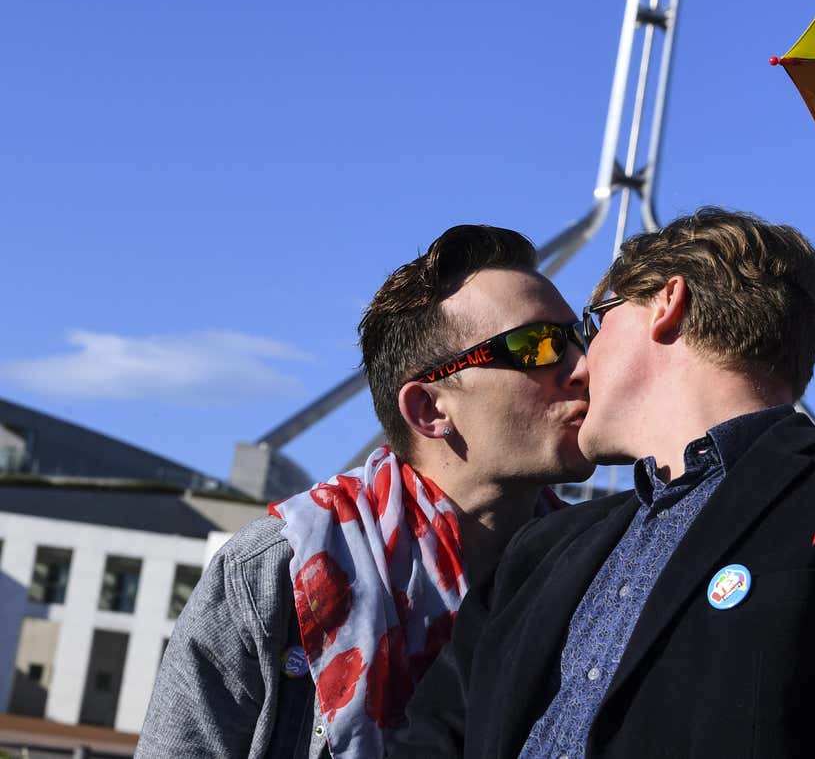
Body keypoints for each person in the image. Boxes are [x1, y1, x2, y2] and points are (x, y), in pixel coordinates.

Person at [391, 208, 815, 758]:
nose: (578, 364)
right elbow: (433, 739)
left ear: (667, 304)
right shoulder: (541, 550)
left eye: (594, 323)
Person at [138, 225, 592, 759]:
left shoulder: (602, 575)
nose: (582, 367)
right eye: (535, 346)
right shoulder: (276, 572)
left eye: (579, 337)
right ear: (429, 409)